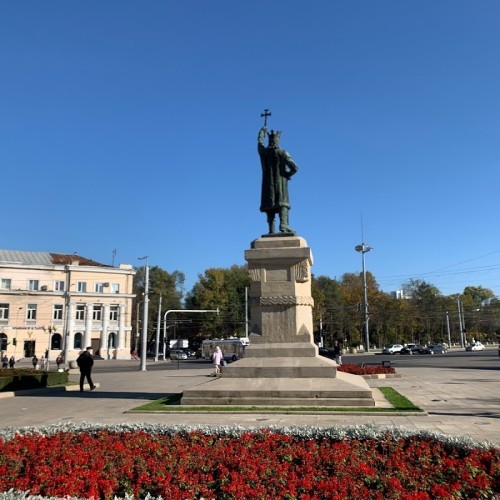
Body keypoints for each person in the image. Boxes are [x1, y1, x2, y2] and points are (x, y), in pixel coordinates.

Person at [258, 125, 299, 234]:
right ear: (277, 141)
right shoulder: (283, 153)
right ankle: (284, 225)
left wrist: (262, 132)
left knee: (270, 205)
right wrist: (287, 174)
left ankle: (271, 229)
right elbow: (295, 167)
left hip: (267, 185)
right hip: (280, 184)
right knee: (282, 203)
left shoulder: (264, 153)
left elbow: (260, 144)